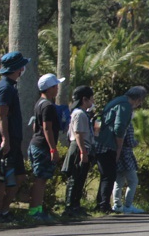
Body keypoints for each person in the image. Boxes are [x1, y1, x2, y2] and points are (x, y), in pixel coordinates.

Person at [94, 86, 146, 213]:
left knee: (109, 177)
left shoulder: (116, 101)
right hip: (109, 145)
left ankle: (103, 203)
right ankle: (104, 206)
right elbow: (119, 128)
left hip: (100, 142)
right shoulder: (126, 105)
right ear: (138, 99)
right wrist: (118, 148)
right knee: (109, 176)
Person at [0, 52, 30, 222]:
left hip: (13, 140)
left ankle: (4, 210)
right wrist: (5, 139)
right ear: (18, 68)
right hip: (3, 140)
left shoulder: (10, 86)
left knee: (18, 176)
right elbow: (1, 115)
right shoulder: (5, 88)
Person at [28, 74, 65, 221]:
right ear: (50, 88)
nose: (57, 89)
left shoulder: (39, 103)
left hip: (36, 143)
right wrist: (52, 149)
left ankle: (38, 208)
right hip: (42, 146)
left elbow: (35, 126)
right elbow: (47, 128)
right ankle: (35, 211)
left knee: (40, 178)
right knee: (40, 179)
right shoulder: (48, 106)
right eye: (55, 86)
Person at [63, 86, 95, 217]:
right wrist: (83, 152)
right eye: (91, 99)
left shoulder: (82, 113)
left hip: (82, 146)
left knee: (81, 178)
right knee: (75, 178)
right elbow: (78, 134)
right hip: (79, 147)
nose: (92, 101)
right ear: (84, 99)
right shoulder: (79, 114)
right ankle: (70, 207)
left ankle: (76, 205)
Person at [112, 122, 142, 214]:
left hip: (116, 154)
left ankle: (117, 205)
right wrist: (137, 142)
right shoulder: (128, 124)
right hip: (126, 155)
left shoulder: (114, 122)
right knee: (133, 180)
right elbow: (130, 142)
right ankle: (128, 205)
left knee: (118, 181)